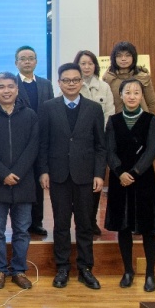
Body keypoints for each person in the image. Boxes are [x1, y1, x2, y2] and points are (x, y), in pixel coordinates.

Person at [39, 63, 106, 290]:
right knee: (61, 223)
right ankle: (62, 267)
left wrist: (99, 173)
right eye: (66, 80)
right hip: (58, 175)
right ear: (59, 83)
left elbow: (100, 146)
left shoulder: (94, 109)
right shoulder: (48, 107)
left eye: (75, 80)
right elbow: (43, 143)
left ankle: (85, 268)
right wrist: (44, 171)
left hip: (85, 176)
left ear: (81, 82)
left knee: (85, 224)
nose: (71, 84)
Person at [0, 72, 39, 291]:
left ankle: (19, 270)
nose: (6, 91)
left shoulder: (30, 115)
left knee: (22, 230)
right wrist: (3, 174)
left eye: (10, 86)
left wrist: (18, 173)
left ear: (17, 89)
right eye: (2, 87)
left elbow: (33, 146)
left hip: (24, 183)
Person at [105, 78, 155, 293]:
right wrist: (120, 172)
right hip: (119, 180)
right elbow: (109, 150)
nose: (131, 96)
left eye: (136, 92)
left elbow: (152, 150)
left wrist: (134, 172)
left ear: (141, 96)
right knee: (124, 227)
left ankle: (150, 274)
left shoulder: (150, 120)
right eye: (127, 92)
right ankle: (128, 271)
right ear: (120, 95)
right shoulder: (113, 121)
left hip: (143, 179)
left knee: (148, 228)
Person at [74, 49, 115, 236]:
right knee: (78, 185)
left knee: (96, 182)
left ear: (95, 66)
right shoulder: (72, 85)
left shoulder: (104, 87)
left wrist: (99, 135)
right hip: (77, 144)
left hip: (98, 143)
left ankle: (91, 220)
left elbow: (109, 113)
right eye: (83, 63)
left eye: (90, 63)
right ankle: (81, 221)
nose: (86, 67)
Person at [14, 45, 54, 237]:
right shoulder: (11, 83)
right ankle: (21, 223)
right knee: (21, 181)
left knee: (39, 181)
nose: (27, 62)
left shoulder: (46, 84)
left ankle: (36, 222)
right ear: (16, 63)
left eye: (30, 58)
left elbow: (52, 110)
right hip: (19, 141)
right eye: (23, 59)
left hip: (42, 140)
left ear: (36, 62)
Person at [102, 41, 155, 113]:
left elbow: (152, 104)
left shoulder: (142, 77)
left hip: (141, 118)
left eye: (127, 55)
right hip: (116, 118)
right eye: (119, 56)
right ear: (114, 58)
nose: (123, 59)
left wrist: (144, 117)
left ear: (133, 57)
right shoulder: (108, 78)